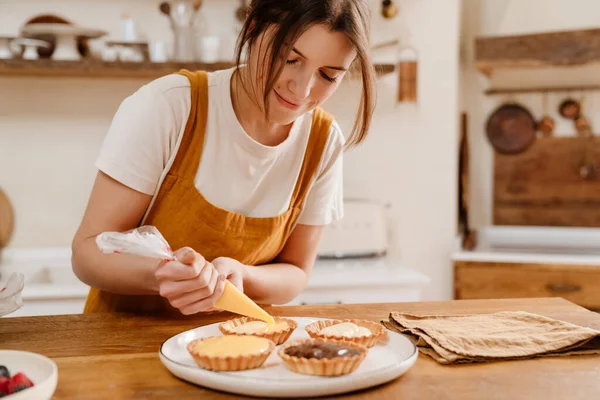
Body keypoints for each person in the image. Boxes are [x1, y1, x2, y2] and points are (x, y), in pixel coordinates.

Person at [72, 0, 377, 315]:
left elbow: (296, 272)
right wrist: (161, 276)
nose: (302, 90)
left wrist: (243, 276)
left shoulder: (323, 141)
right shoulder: (169, 107)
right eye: (289, 58)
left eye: (328, 76)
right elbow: (86, 254)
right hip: (122, 347)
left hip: (240, 350)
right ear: (252, 27)